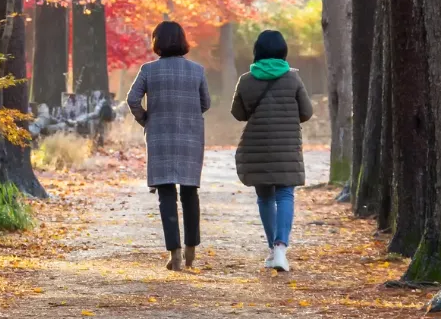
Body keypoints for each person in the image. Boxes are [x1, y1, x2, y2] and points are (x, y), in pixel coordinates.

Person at [126, 21, 211, 271]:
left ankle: (174, 253)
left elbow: (132, 99)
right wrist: (188, 114)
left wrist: (147, 119)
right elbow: (205, 103)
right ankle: (191, 251)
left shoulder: (148, 70)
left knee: (166, 195)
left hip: (160, 138)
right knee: (189, 192)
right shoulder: (197, 71)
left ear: (157, 42)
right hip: (190, 137)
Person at [230, 30, 313, 272]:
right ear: (282, 51)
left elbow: (238, 114)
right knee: (285, 195)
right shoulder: (293, 79)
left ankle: (272, 249)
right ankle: (280, 249)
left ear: (257, 51)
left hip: (257, 148)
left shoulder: (246, 79)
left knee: (265, 197)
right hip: (287, 146)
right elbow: (306, 113)